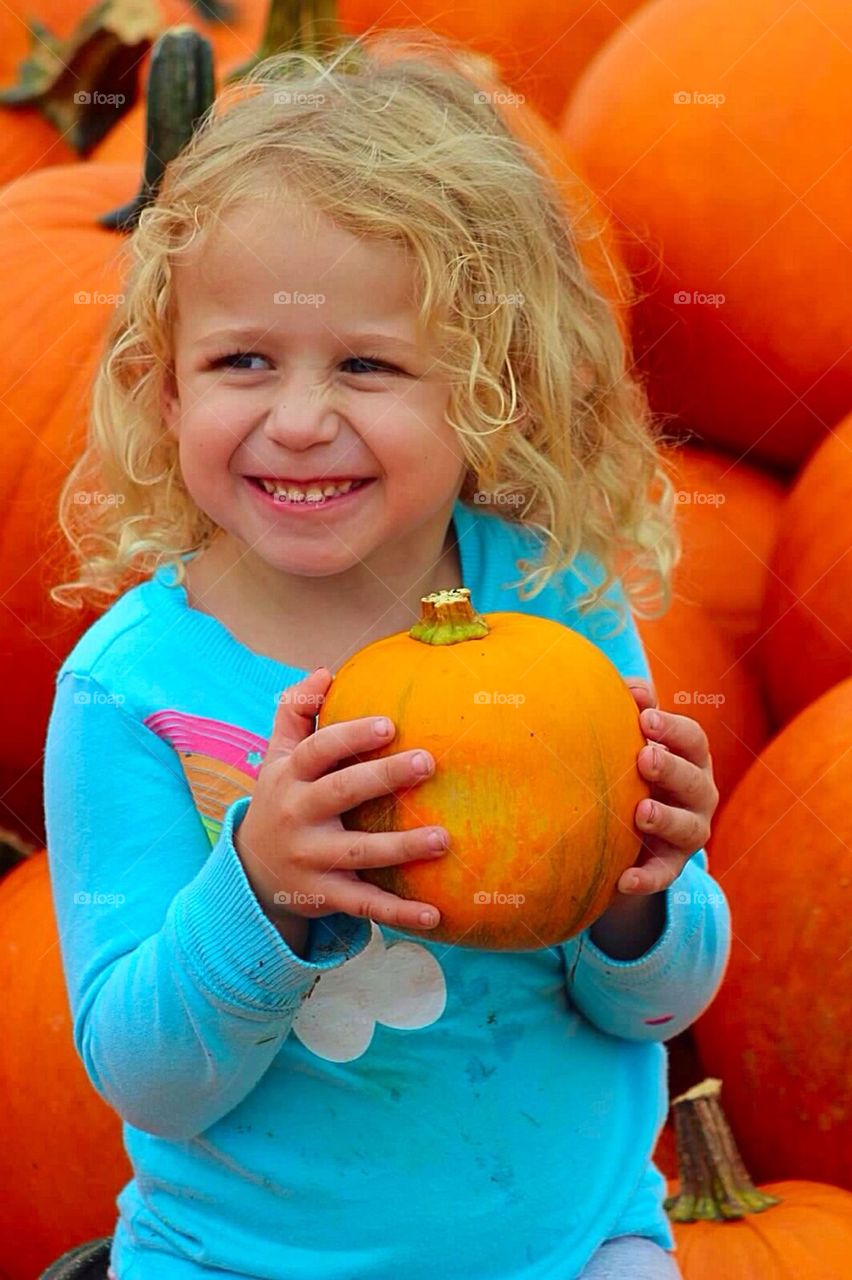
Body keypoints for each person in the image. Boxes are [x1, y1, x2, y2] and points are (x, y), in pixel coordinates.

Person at [43, 31, 729, 1280]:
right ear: (166, 388)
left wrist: (642, 890)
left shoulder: (553, 607)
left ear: (491, 391)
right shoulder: (130, 689)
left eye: (368, 364)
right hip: (239, 1262)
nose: (300, 421)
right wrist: (260, 887)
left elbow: (659, 1007)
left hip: (570, 1248)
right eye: (243, 360)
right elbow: (149, 1077)